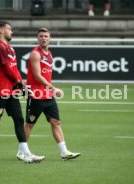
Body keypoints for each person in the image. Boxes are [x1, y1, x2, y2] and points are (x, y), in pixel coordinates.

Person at [0, 20, 44, 164]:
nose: (11, 32)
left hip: (11, 90)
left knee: (19, 119)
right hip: (1, 90)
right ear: (1, 31)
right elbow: (7, 69)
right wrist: (20, 84)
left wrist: (21, 84)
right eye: (9, 29)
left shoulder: (10, 48)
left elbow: (14, 69)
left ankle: (26, 154)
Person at [17, 28, 81, 161]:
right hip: (35, 95)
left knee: (56, 121)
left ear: (50, 38)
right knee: (29, 124)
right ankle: (21, 151)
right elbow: (37, 76)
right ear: (37, 38)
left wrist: (50, 89)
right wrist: (53, 87)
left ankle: (64, 152)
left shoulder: (49, 53)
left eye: (46, 36)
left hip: (47, 95)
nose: (43, 38)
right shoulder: (35, 53)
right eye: (41, 36)